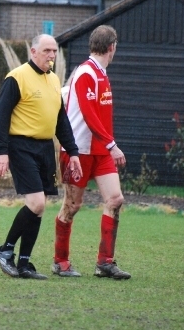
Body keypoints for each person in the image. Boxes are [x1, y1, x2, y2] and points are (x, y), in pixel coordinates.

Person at [0, 34, 83, 279]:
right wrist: (1, 152)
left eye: (54, 51)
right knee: (37, 203)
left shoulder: (54, 80)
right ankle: (5, 250)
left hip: (44, 149)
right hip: (20, 146)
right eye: (46, 51)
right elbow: (0, 116)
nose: (52, 55)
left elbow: (61, 120)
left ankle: (24, 263)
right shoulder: (17, 77)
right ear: (33, 52)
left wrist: (72, 151)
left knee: (38, 209)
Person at [53, 25, 131, 279]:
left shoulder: (101, 73)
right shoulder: (87, 72)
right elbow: (87, 115)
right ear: (112, 47)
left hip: (100, 152)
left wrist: (107, 146)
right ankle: (60, 261)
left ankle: (105, 263)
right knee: (72, 206)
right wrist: (112, 144)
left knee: (115, 200)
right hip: (78, 152)